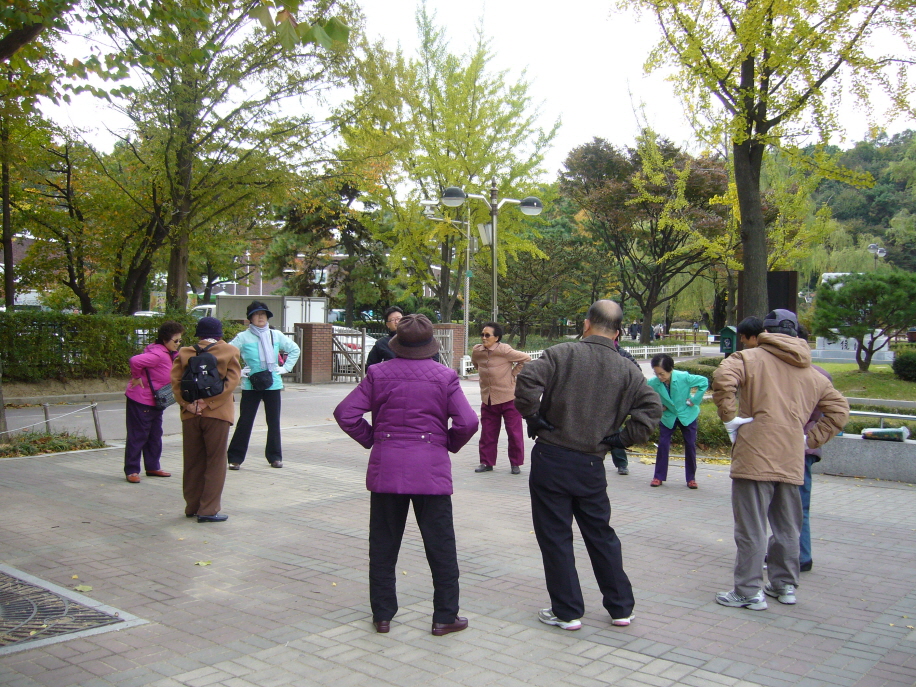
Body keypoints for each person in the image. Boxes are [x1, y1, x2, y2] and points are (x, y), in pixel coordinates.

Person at [515, 300, 663, 631]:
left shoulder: (560, 354)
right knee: (600, 534)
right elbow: (652, 408)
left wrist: (534, 417)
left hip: (552, 454)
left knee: (555, 535)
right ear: (619, 332)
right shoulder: (627, 369)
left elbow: (527, 381)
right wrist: (622, 438)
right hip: (592, 463)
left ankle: (567, 611)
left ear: (586, 324)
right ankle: (621, 607)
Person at [334, 315, 479, 636]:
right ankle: (445, 616)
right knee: (441, 545)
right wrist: (446, 444)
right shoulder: (445, 377)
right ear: (430, 346)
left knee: (383, 545)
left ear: (397, 344)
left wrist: (373, 439)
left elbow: (345, 414)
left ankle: (382, 615)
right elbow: (468, 422)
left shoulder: (377, 373)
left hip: (387, 469)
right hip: (431, 472)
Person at [712, 309, 849, 610]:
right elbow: (840, 410)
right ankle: (785, 585)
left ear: (766, 332)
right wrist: (808, 439)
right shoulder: (814, 374)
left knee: (751, 527)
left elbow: (722, 377)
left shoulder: (747, 359)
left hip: (754, 454)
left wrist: (729, 418)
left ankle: (749, 591)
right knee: (788, 527)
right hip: (791, 456)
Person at [171, 317, 241, 523]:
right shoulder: (230, 351)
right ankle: (208, 510)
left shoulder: (184, 352)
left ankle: (191, 506)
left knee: (192, 461)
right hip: (217, 414)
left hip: (191, 414)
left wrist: (188, 404)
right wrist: (208, 404)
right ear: (219, 333)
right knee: (215, 461)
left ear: (198, 334)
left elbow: (175, 382)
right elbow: (231, 383)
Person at [226, 301, 300, 470]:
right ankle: (235, 458)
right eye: (256, 314)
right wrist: (239, 372)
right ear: (250, 318)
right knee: (245, 421)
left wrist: (285, 368)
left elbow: (295, 349)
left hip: (273, 384)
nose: (260, 317)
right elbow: (227, 353)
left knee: (273, 422)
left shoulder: (276, 335)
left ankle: (275, 457)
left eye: (263, 314)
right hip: (251, 385)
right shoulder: (243, 337)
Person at [123, 321, 185, 483]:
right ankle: (132, 470)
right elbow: (135, 361)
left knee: (155, 434)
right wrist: (136, 377)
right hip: (141, 400)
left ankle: (152, 466)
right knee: (138, 435)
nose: (178, 344)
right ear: (165, 340)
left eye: (180, 340)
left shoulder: (168, 353)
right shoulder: (158, 354)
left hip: (155, 402)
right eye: (175, 341)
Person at [471, 322, 531, 474]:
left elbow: (526, 358)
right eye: (482, 334)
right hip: (488, 399)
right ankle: (486, 462)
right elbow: (476, 364)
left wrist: (513, 374)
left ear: (496, 337)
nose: (483, 338)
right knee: (488, 433)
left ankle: (515, 463)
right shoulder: (477, 350)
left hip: (508, 398)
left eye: (487, 335)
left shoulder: (504, 350)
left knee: (514, 432)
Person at [646, 353, 708, 489]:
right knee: (663, 444)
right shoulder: (653, 383)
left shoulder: (683, 377)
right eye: (657, 374)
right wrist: (658, 406)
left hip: (687, 414)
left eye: (662, 374)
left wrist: (695, 400)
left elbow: (703, 382)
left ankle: (691, 478)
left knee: (690, 444)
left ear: (670, 369)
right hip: (668, 416)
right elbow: (645, 395)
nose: (660, 377)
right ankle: (658, 476)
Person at [366, 306, 440, 368]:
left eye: (399, 318)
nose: (397, 322)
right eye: (392, 320)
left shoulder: (418, 338)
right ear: (387, 324)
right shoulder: (381, 343)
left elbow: (435, 360)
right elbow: (371, 365)